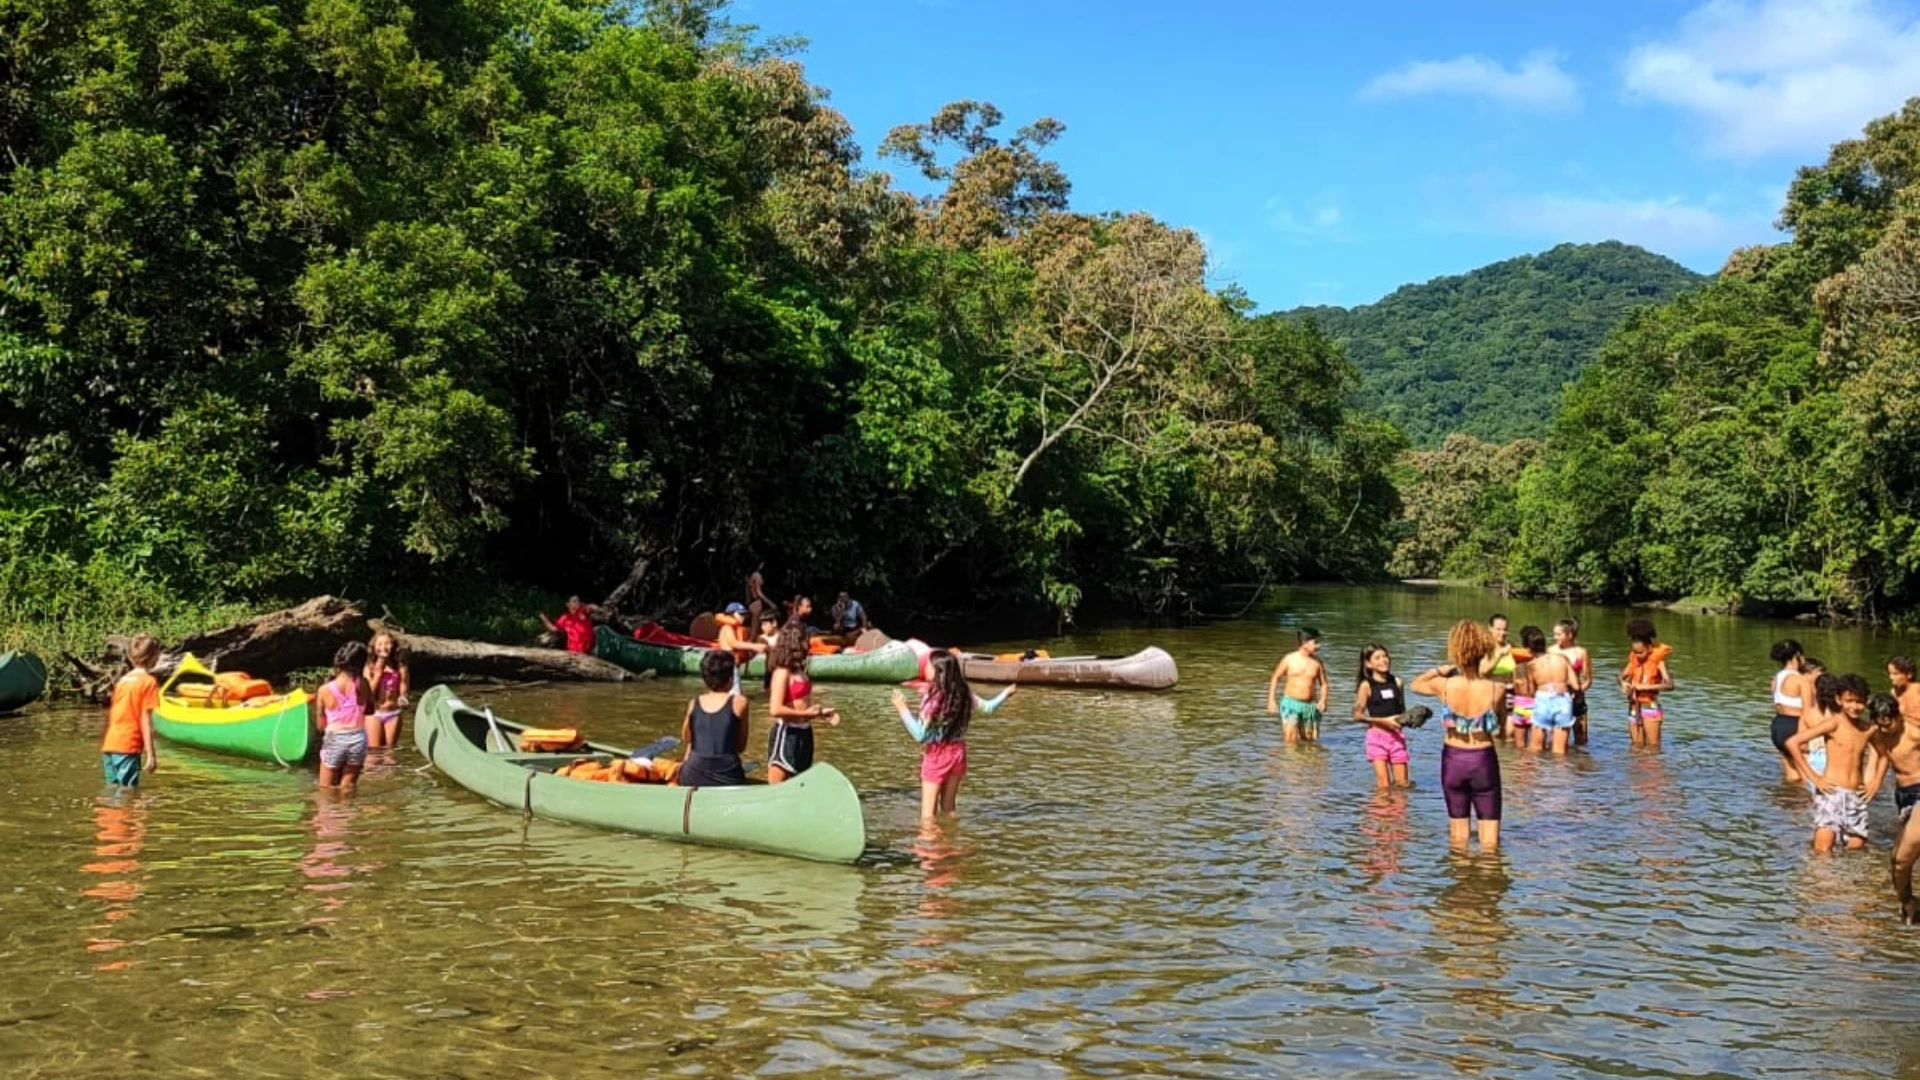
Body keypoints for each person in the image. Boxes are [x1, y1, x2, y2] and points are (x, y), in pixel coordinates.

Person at [1411, 620, 1506, 851]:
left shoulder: (1443, 685)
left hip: (1453, 759)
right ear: (1484, 651)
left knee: (1458, 834)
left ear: (1456, 651)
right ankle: (1489, 878)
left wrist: (1439, 669)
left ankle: (1461, 878)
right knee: (1490, 839)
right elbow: (1500, 727)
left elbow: (1415, 685)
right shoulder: (1496, 688)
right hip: (1483, 758)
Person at [890, 652, 1015, 821]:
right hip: (958, 753)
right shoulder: (962, 693)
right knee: (949, 808)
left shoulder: (934, 698)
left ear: (938, 671)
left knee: (928, 815)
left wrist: (902, 708)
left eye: (928, 664)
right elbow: (988, 707)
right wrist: (1005, 694)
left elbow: (920, 736)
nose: (925, 667)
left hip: (937, 755)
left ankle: (929, 847)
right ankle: (951, 842)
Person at [1786, 673, 1878, 853]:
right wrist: (1813, 777)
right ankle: (1821, 880)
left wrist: (1875, 783)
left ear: (1866, 702)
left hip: (1856, 795)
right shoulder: (1834, 723)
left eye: (1860, 702)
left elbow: (1885, 754)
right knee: (1823, 847)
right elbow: (1793, 743)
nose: (1855, 706)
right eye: (1849, 701)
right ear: (1839, 700)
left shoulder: (1868, 729)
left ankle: (1846, 880)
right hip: (1831, 792)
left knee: (1856, 848)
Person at [766, 621, 837, 783]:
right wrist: (805, 713)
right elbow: (775, 709)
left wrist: (819, 713)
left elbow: (801, 703)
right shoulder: (782, 672)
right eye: (806, 639)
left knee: (800, 781)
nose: (808, 643)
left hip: (804, 733)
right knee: (777, 785)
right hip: (787, 733)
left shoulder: (800, 670)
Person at [1879, 659, 1920, 922]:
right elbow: (1879, 753)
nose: (1892, 678)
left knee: (1907, 852)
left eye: (1895, 673)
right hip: (1903, 792)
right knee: (1898, 860)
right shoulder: (1890, 701)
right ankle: (1908, 902)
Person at [678, 651, 749, 788]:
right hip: (728, 775)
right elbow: (740, 746)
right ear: (730, 678)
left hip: (693, 774)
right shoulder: (740, 702)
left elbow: (687, 738)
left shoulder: (694, 702)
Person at [102, 634, 162, 788]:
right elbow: (145, 720)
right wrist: (151, 755)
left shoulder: (123, 681)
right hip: (128, 745)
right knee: (128, 793)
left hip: (110, 744)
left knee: (113, 790)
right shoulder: (149, 682)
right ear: (154, 656)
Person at [315, 642, 373, 793]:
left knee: (326, 790)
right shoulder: (364, 684)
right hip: (359, 740)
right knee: (347, 787)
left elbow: (320, 726)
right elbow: (370, 710)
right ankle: (346, 814)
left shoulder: (324, 690)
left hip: (335, 739)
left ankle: (329, 815)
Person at [1352, 643, 1410, 788]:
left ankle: (1399, 810)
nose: (1383, 660)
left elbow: (1402, 710)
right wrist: (1382, 721)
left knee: (1402, 784)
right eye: (1377, 658)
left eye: (1385, 656)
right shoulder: (1366, 685)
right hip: (1376, 737)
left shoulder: (1397, 682)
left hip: (1396, 736)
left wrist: (1411, 718)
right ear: (1368, 663)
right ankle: (1381, 810)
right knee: (1384, 786)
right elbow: (1357, 715)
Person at [1265, 628, 1328, 744]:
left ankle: (1306, 762)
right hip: (1291, 703)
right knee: (1290, 740)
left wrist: (1323, 700)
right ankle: (1290, 761)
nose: (1318, 645)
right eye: (1315, 642)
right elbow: (1275, 678)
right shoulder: (1289, 659)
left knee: (1309, 740)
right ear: (1305, 643)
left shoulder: (1317, 663)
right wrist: (1271, 700)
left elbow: (1323, 684)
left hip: (1310, 705)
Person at [1521, 626, 1576, 755]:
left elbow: (1529, 691)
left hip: (1543, 699)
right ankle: (1559, 775)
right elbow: (1576, 685)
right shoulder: (1562, 658)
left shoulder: (1531, 666)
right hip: (1563, 700)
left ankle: (1539, 774)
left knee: (1535, 749)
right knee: (1560, 752)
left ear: (1527, 647)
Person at [1620, 618, 1674, 748]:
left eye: (1641, 652)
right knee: (1635, 748)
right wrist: (1622, 683)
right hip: (1634, 708)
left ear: (1649, 647)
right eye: (1635, 652)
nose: (1638, 655)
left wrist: (1645, 686)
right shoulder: (1633, 658)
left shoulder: (1659, 662)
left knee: (1653, 748)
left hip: (1650, 708)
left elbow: (1670, 685)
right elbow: (1621, 676)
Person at [1549, 619, 1594, 747]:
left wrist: (1578, 692)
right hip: (1556, 697)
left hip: (1577, 697)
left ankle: (1579, 763)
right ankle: (1559, 765)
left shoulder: (1581, 652)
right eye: (1554, 634)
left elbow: (1588, 680)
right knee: (1557, 738)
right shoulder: (1551, 650)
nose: (1554, 637)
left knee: (1581, 736)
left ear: (1569, 635)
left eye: (1558, 634)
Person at [1769, 640, 1807, 782]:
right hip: (1795, 726)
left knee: (1791, 775)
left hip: (1778, 726)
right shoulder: (1800, 680)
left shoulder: (1776, 678)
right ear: (1797, 655)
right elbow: (1808, 712)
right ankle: (1803, 803)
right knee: (1805, 777)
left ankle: (1787, 801)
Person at [364, 631, 410, 749]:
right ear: (373, 648)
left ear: (393, 646)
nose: (383, 647)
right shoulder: (369, 668)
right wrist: (379, 671)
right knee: (374, 750)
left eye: (387, 644)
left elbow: (404, 685)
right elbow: (369, 693)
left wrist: (403, 697)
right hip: (374, 713)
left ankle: (389, 768)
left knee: (390, 750)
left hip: (393, 713)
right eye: (379, 644)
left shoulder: (399, 667)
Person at [714, 602, 767, 692]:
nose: (743, 617)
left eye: (744, 614)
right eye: (740, 614)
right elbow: (734, 643)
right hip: (728, 667)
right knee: (735, 694)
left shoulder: (737, 629)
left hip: (733, 666)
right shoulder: (727, 627)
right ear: (731, 614)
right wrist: (754, 647)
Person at [1486, 614, 1520, 741]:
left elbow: (1521, 669)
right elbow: (1483, 672)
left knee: (1511, 732)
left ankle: (1508, 760)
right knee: (1494, 733)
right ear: (1490, 628)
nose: (1503, 633)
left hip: (1510, 693)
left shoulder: (1512, 647)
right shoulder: (1485, 648)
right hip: (1491, 694)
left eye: (1505, 629)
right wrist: (1498, 656)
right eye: (1499, 629)